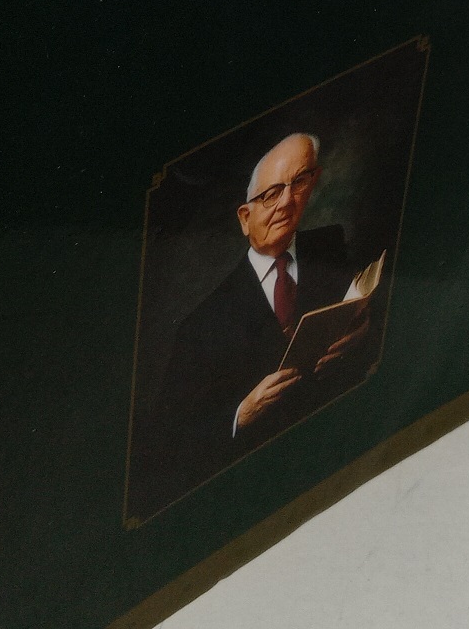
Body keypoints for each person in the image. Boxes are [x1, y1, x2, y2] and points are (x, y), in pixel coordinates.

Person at [149, 132, 384, 498]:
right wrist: (241, 414)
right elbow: (167, 444)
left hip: (347, 453)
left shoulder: (329, 246)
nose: (288, 202)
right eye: (271, 194)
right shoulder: (200, 325)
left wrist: (364, 330)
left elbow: (381, 329)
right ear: (245, 218)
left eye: (299, 182)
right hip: (256, 486)